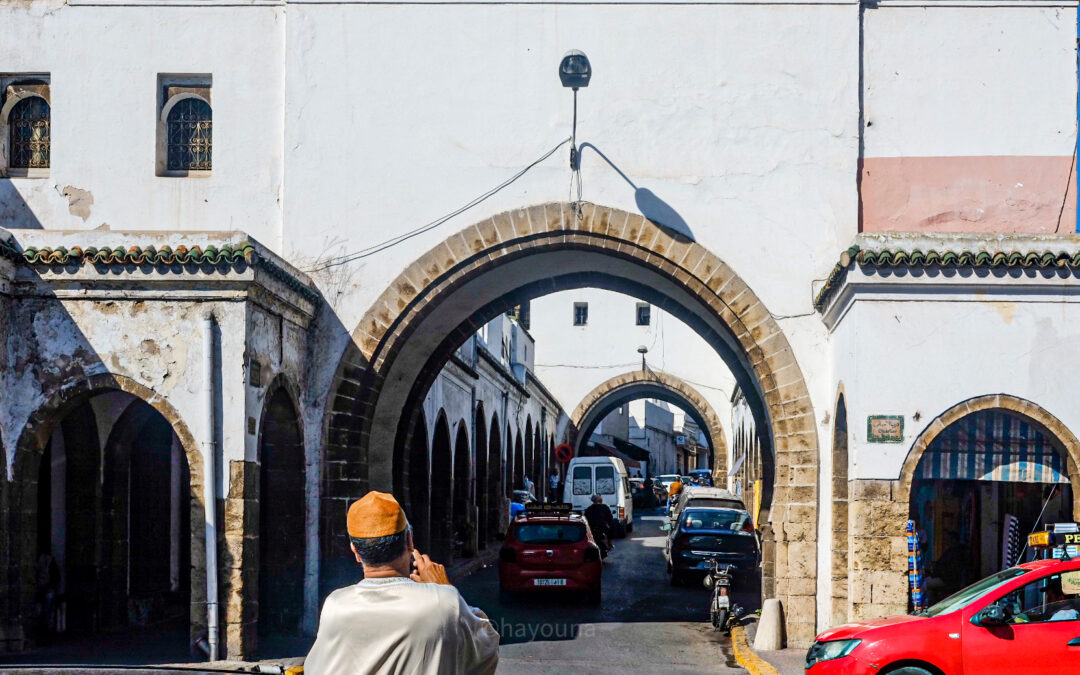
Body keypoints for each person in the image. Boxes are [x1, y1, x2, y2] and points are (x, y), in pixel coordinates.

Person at [305, 491, 499, 675]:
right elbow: (486, 649)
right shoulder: (443, 602)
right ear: (409, 541)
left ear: (355, 551)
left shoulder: (336, 604)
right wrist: (444, 588)